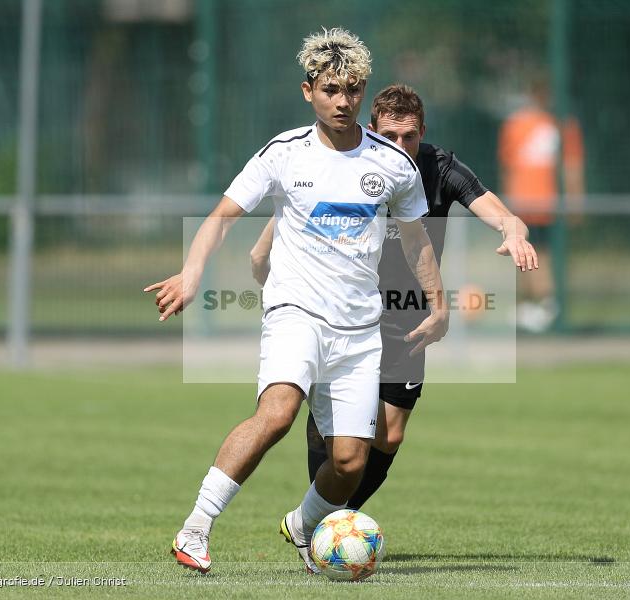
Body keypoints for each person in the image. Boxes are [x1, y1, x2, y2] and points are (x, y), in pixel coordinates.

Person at [143, 28, 448, 575]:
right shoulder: (284, 154)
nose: (342, 101)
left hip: (359, 330)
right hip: (296, 313)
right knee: (278, 412)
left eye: (352, 90)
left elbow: (416, 240)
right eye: (330, 89)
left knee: (350, 462)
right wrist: (191, 274)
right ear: (308, 91)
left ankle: (305, 527)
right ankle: (196, 527)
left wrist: (439, 306)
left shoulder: (392, 164)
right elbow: (221, 218)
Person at [250, 84, 537, 512]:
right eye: (390, 136)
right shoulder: (351, 162)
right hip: (343, 310)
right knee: (331, 430)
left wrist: (515, 234)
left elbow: (502, 215)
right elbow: (287, 221)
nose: (400, 146)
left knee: (389, 434)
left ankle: (330, 518)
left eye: (410, 136)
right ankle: (326, 525)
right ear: (372, 129)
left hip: (407, 317)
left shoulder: (442, 168)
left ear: (423, 131)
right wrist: (268, 265)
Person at [498, 73, 584, 332]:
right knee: (522, 252)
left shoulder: (561, 126)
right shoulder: (515, 125)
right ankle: (531, 306)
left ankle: (546, 303)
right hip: (521, 203)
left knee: (539, 253)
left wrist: (574, 200)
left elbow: (571, 167)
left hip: (545, 203)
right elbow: (508, 167)